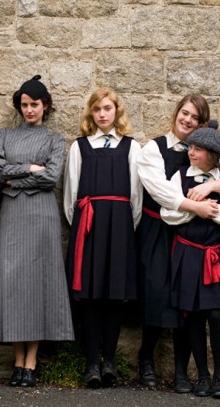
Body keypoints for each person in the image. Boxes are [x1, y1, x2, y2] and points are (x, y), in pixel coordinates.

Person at [137, 94, 220, 393]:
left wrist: (212, 185)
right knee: (158, 293)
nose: (187, 120)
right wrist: (195, 206)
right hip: (161, 228)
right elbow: (160, 191)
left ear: (202, 124)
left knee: (190, 307)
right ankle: (147, 358)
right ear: (177, 113)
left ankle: (184, 372)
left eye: (195, 117)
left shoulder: (211, 150)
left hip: (195, 238)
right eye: (184, 113)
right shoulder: (155, 148)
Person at [0, 75, 74, 388]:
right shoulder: (4, 135)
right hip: (12, 215)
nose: (29, 110)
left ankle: (31, 361)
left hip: (41, 215)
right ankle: (17, 360)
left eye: (34, 104)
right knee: (13, 282)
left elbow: (51, 178)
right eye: (24, 105)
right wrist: (28, 169)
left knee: (38, 281)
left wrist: (14, 180)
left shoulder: (54, 140)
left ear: (45, 105)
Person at [63, 87, 142, 388]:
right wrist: (83, 225)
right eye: (97, 109)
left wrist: (123, 226)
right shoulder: (80, 147)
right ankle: (91, 364)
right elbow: (70, 197)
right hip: (88, 226)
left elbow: (136, 196)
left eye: (107, 108)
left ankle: (109, 361)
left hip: (120, 226)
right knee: (90, 296)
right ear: (91, 113)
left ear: (117, 111)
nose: (102, 114)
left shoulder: (131, 147)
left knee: (114, 296)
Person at [161, 121, 220, 399]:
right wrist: (196, 208)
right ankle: (203, 376)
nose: (191, 152)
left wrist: (208, 203)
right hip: (187, 253)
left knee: (216, 315)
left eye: (197, 149)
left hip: (213, 255)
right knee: (193, 315)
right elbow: (169, 212)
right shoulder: (180, 175)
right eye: (190, 147)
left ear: (212, 154)